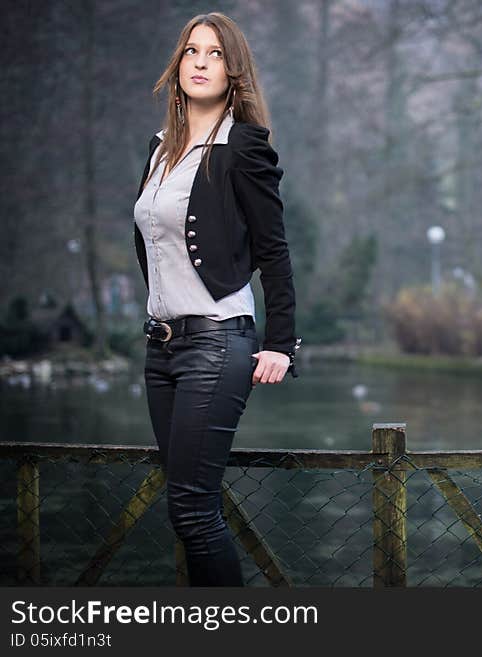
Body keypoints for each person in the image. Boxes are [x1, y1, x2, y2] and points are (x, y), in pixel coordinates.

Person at [133, 12, 300, 586]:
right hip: (161, 350)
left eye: (216, 54)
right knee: (185, 510)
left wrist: (280, 343)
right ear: (177, 65)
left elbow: (274, 251)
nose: (201, 62)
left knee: (194, 511)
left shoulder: (242, 148)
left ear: (234, 72)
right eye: (191, 51)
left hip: (217, 343)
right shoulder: (159, 151)